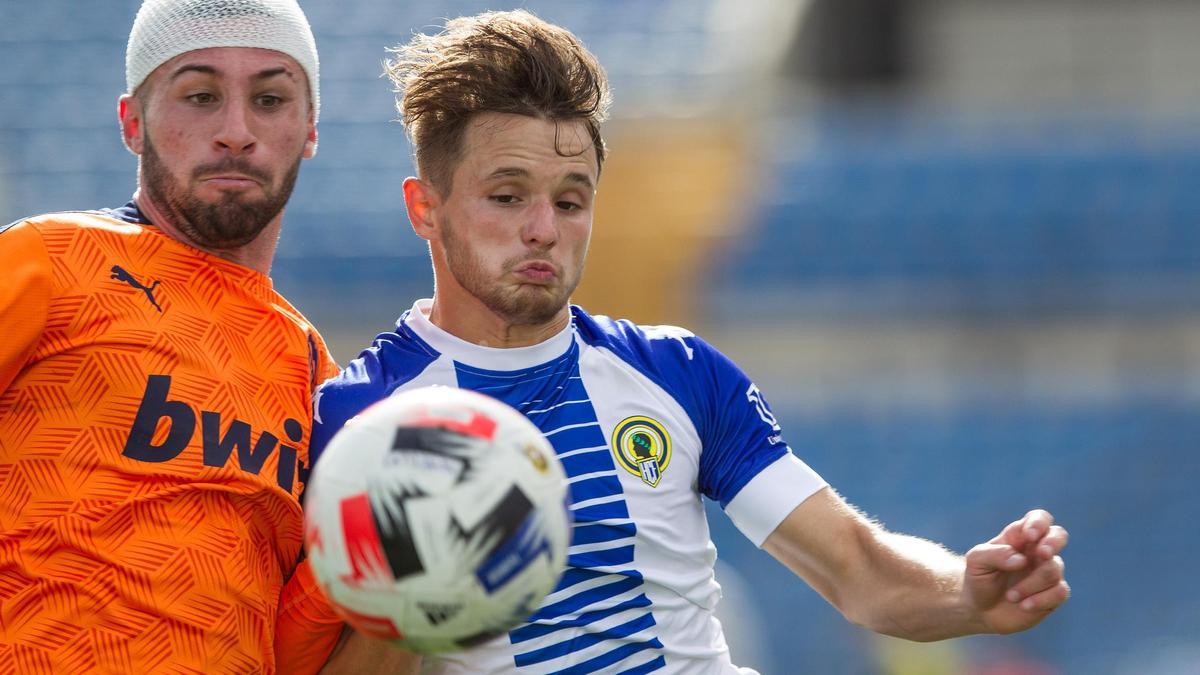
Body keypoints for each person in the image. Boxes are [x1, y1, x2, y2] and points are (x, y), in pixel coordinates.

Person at [294, 10, 1071, 674]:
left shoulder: (675, 371)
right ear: (424, 208)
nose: (544, 229)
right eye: (507, 196)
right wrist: (407, 591)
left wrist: (967, 590)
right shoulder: (356, 422)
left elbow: (860, 570)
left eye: (571, 200)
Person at [0, 0, 341, 671]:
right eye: (200, 96)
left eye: (270, 99)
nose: (237, 131)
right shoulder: (46, 260)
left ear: (309, 130)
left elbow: (296, 645)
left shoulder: (313, 370)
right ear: (132, 122)